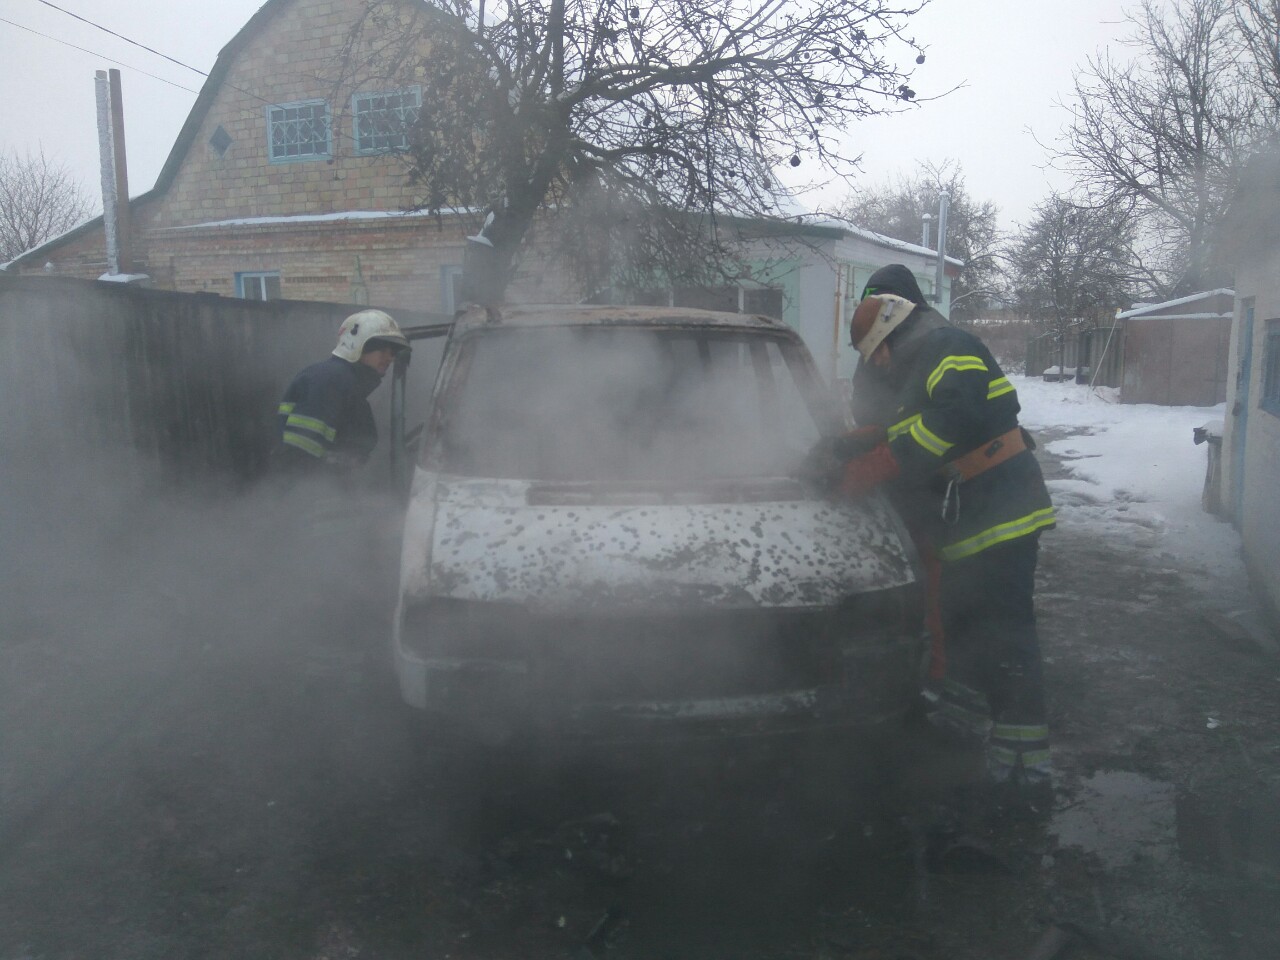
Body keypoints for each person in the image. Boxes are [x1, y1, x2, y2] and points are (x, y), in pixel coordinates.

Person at [839, 264, 1056, 813]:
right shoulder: (913, 360)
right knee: (962, 621)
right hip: (966, 518)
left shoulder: (948, 345)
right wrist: (860, 442)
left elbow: (953, 416)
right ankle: (961, 723)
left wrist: (885, 457)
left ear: (893, 332)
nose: (878, 363)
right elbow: (905, 417)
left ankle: (1024, 759)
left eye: (878, 351)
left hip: (1000, 511)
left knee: (1008, 633)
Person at [274, 308, 410, 480]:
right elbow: (300, 451)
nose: (389, 358)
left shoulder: (346, 382)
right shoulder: (331, 380)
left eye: (392, 353)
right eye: (382, 350)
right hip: (308, 493)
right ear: (357, 346)